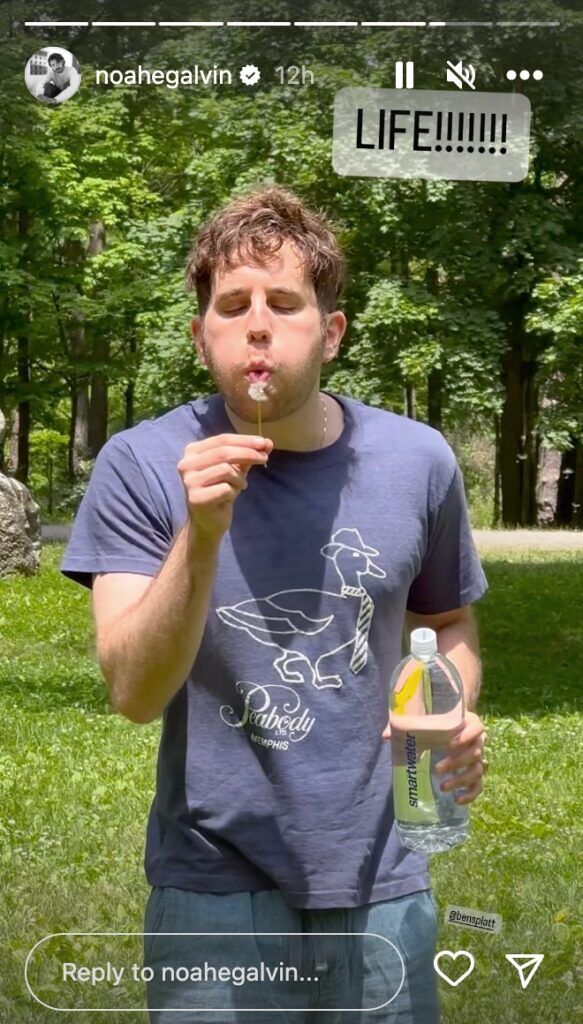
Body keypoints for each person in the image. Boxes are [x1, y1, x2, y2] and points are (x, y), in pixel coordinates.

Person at [61, 186, 489, 1023]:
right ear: (201, 337)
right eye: (232, 306)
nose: (257, 325)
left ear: (330, 333)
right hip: (211, 888)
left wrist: (450, 708)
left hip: (381, 880)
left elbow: (445, 623)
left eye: (284, 302)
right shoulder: (142, 465)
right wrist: (202, 531)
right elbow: (133, 691)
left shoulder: (417, 460)